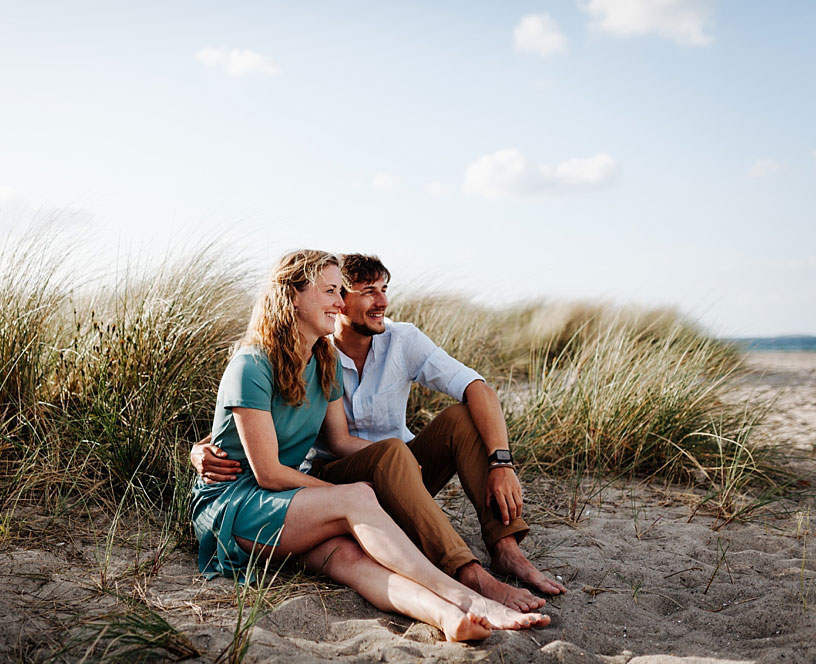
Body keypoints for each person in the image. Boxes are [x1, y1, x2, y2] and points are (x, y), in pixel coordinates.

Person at [191, 250, 549, 642]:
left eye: (342, 292)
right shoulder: (251, 364)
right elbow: (266, 470)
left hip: (296, 504)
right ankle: (467, 593)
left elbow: (341, 440)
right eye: (332, 291)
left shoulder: (323, 360)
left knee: (349, 560)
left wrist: (415, 464)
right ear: (294, 296)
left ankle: (447, 616)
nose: (339, 302)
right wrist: (354, 497)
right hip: (243, 502)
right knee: (358, 499)